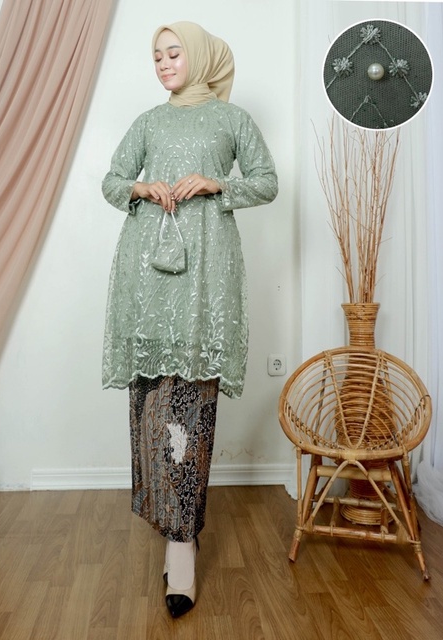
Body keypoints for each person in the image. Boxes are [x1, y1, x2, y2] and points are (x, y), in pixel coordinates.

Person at [101, 21, 278, 618]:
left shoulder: (232, 120)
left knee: (193, 408)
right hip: (149, 275)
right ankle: (172, 523)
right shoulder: (148, 122)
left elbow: (267, 182)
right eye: (156, 56)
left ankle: (182, 546)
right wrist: (142, 188)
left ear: (198, 57)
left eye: (174, 53)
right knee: (152, 407)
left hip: (207, 280)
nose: (163, 64)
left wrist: (217, 183)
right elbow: (111, 182)